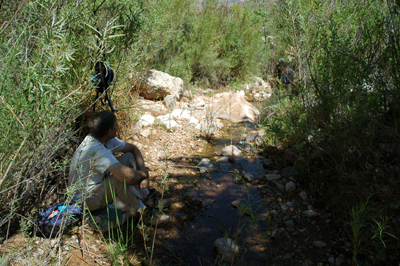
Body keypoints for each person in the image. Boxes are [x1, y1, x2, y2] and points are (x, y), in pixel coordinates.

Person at [68, 111, 169, 227]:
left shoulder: (106, 139)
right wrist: (143, 174)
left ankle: (145, 199)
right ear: (109, 130)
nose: (117, 127)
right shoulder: (95, 149)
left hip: (98, 185)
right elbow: (127, 177)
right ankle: (145, 215)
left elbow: (133, 149)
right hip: (85, 200)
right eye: (115, 125)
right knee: (118, 181)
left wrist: (142, 170)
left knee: (129, 157)